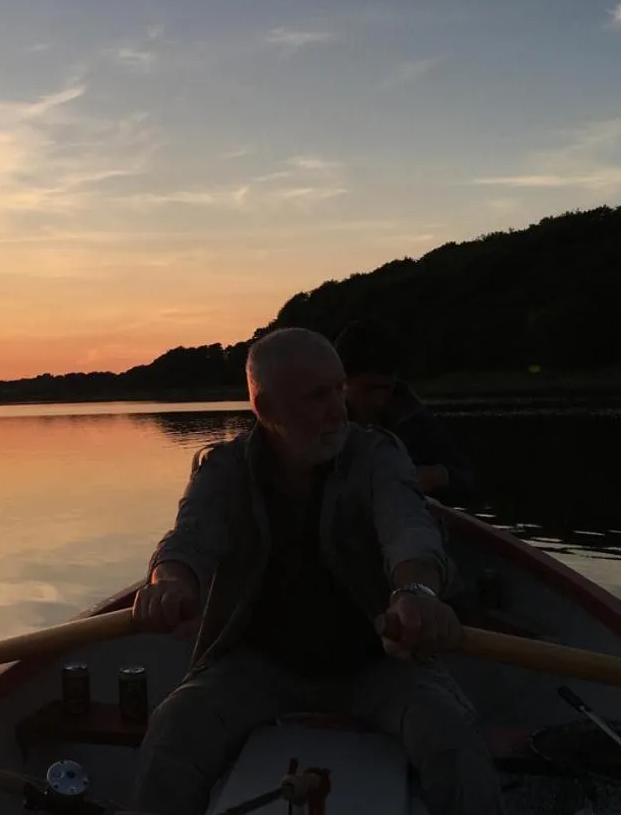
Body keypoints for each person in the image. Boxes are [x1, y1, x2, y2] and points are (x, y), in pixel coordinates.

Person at [129, 328, 504, 815]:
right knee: (172, 729)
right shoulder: (223, 468)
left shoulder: (377, 455)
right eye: (317, 396)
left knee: (451, 736)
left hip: (377, 664)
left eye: (338, 389)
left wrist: (415, 591)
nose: (338, 410)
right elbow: (189, 540)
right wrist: (170, 583)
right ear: (265, 407)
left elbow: (408, 528)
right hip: (257, 667)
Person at [334, 319, 479, 507]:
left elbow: (468, 478)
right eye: (369, 389)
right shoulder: (317, 418)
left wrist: (438, 476)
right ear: (341, 383)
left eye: (386, 388)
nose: (380, 400)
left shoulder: (412, 418)